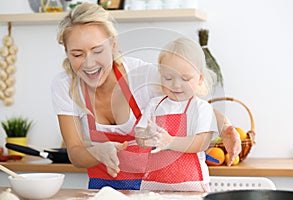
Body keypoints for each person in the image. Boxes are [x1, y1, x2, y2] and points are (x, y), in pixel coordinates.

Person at [51, 2, 241, 190]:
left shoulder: (142, 75)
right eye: (77, 55)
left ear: (113, 45)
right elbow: (75, 153)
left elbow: (193, 105)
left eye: (97, 51)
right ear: (67, 53)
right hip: (101, 189)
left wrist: (225, 127)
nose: (89, 63)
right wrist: (97, 152)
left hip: (148, 188)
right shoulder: (65, 85)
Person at [135, 37, 218, 192]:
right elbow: (139, 135)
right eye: (168, 78)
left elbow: (201, 143)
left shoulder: (201, 108)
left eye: (185, 78)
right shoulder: (155, 104)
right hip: (154, 186)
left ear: (200, 79)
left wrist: (170, 142)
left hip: (192, 187)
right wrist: (145, 136)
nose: (176, 84)